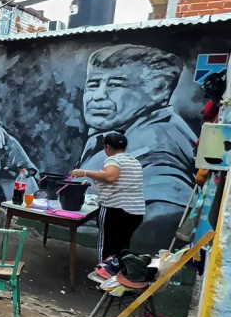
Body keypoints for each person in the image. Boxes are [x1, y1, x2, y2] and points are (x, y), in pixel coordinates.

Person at [76, 44, 196, 251]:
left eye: (115, 85)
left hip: (122, 245)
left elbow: (166, 211)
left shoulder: (156, 145)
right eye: (93, 84)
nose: (98, 95)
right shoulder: (121, 133)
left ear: (159, 89)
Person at [71, 133, 145, 262]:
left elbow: (111, 177)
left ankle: (103, 271)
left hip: (115, 210)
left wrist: (85, 172)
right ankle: (119, 271)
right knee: (122, 247)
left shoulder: (113, 160)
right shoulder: (134, 161)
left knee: (106, 246)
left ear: (107, 147)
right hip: (135, 212)